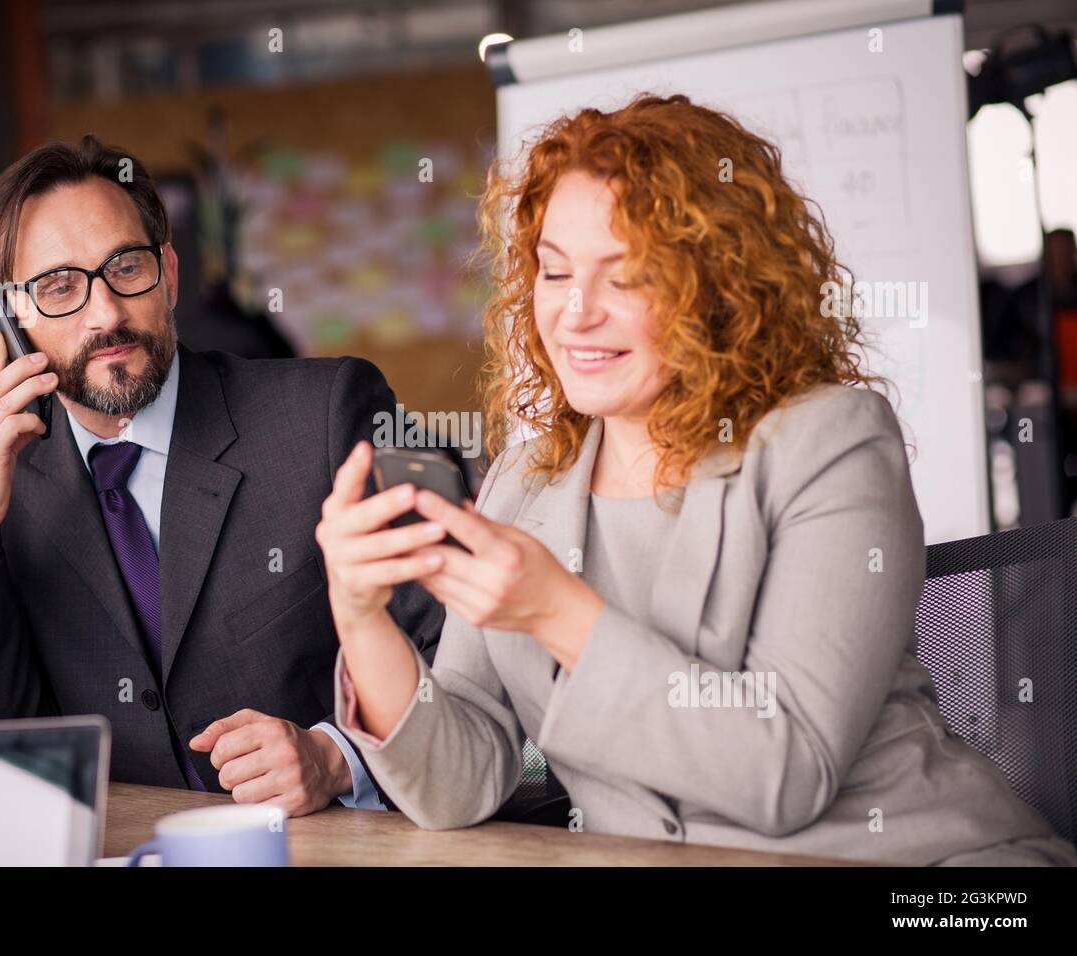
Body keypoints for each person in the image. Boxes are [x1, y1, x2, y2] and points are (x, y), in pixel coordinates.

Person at [315, 93, 1077, 864]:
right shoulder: (528, 474)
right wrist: (361, 613)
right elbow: (457, 784)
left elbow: (788, 772)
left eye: (627, 277)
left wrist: (556, 611)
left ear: (719, 286)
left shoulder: (831, 441)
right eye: (554, 271)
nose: (575, 313)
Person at [0, 135, 442, 815]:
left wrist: (338, 757)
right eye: (59, 288)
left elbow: (467, 660)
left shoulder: (328, 413)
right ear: (9, 318)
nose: (105, 314)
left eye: (126, 268)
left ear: (167, 273)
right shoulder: (1, 483)